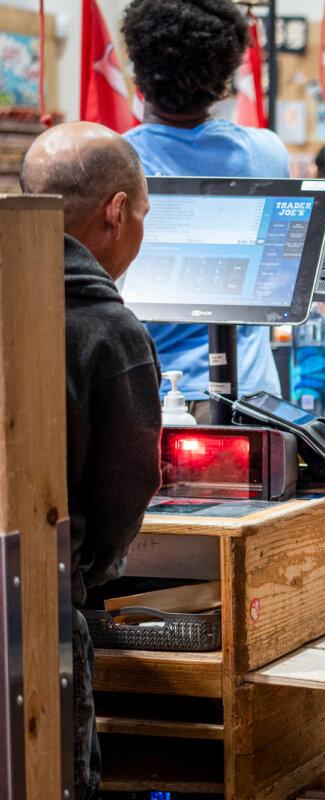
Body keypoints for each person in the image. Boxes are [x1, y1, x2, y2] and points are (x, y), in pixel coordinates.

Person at [20, 122, 163, 800]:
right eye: (141, 210)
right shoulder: (109, 331)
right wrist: (81, 578)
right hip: (38, 621)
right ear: (116, 210)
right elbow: (124, 494)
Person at [121, 0, 288, 414]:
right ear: (224, 77)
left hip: (154, 396)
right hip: (254, 396)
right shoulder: (265, 153)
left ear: (140, 70)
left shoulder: (115, 161)